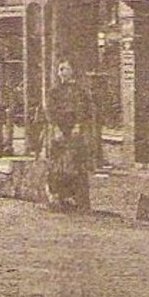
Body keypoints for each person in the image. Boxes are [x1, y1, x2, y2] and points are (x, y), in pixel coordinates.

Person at [45, 60, 93, 211]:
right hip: (60, 129)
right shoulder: (54, 92)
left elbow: (86, 109)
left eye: (64, 69)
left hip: (75, 130)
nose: (61, 73)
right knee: (58, 164)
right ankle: (58, 197)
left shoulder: (81, 92)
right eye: (60, 70)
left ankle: (78, 199)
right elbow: (50, 111)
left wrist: (79, 124)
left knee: (76, 164)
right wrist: (56, 128)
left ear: (72, 71)